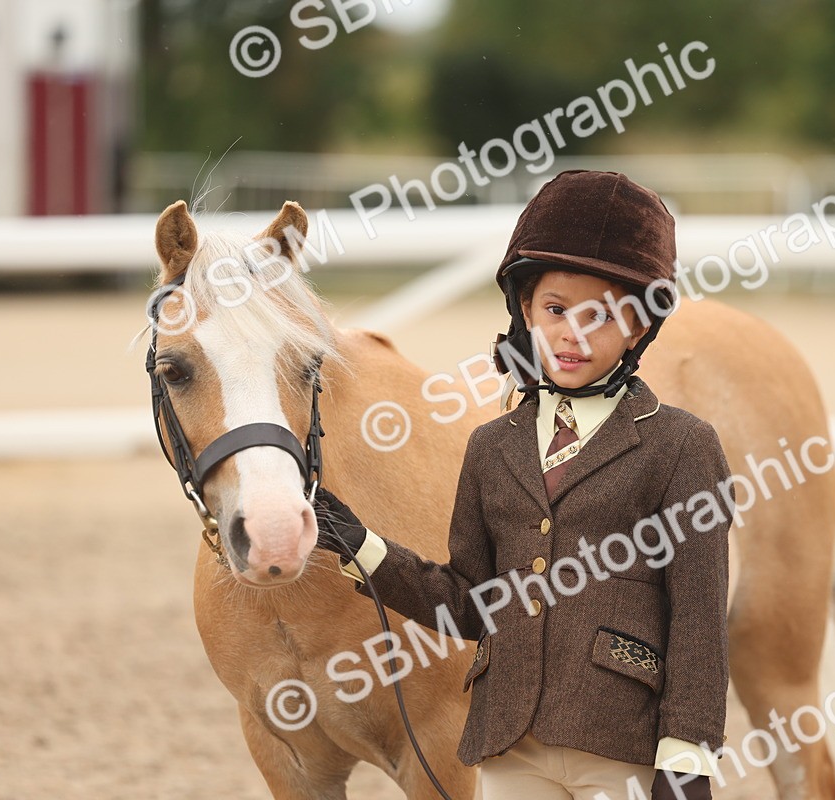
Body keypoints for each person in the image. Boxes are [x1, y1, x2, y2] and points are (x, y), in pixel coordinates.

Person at [314, 170, 734, 800]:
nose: (572, 333)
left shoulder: (682, 445)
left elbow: (699, 617)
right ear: (527, 311)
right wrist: (363, 547)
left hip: (621, 739)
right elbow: (468, 601)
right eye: (556, 310)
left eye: (600, 315)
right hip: (511, 743)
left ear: (638, 327)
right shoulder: (492, 446)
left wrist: (688, 757)